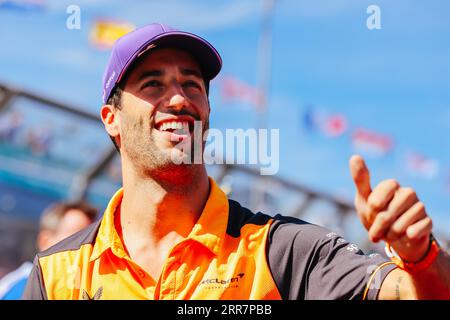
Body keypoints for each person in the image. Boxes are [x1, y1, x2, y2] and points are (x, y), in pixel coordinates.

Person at [23, 23, 449, 300]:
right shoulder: (58, 273)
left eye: (192, 84)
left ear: (207, 110)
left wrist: (421, 256)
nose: (179, 99)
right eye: (153, 83)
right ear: (111, 120)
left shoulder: (284, 251)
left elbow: (408, 294)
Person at [0, 201, 98, 299]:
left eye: (93, 241)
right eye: (76, 239)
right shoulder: (25, 289)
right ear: (45, 241)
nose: (87, 248)